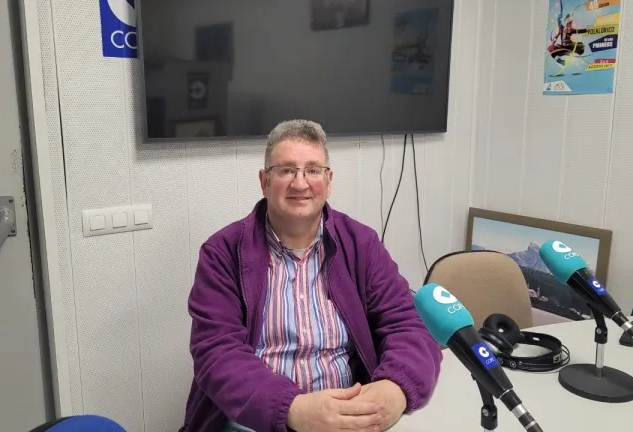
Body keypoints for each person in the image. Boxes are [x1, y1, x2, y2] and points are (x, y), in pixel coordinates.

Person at [180, 120, 442, 432]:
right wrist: (293, 409)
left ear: (328, 182)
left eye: (313, 170)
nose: (300, 183)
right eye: (286, 170)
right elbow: (216, 351)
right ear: (265, 181)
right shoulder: (223, 252)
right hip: (257, 422)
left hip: (349, 419)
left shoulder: (362, 244)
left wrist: (397, 387)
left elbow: (406, 325)